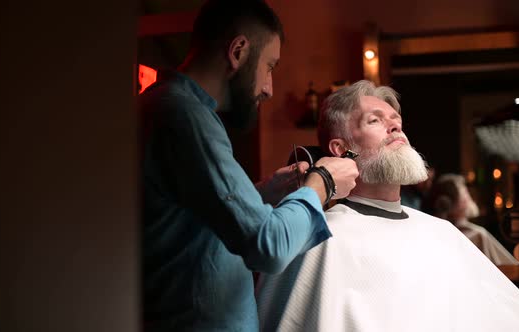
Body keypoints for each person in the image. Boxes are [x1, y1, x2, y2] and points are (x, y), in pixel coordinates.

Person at [138, 1, 359, 330]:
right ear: (238, 51)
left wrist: (263, 193)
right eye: (269, 66)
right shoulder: (184, 117)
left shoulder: (170, 107)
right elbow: (268, 247)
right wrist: (322, 181)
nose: (269, 88)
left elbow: (194, 215)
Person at [256, 80, 519, 332]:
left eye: (396, 121)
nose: (395, 126)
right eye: (375, 120)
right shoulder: (322, 238)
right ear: (341, 150)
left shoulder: (442, 232)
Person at [428, 173, 519, 266]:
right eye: (465, 193)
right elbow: (507, 268)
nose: (469, 197)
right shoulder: (477, 235)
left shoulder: (431, 234)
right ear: (460, 202)